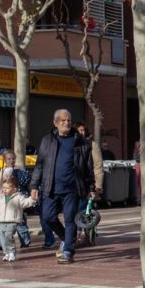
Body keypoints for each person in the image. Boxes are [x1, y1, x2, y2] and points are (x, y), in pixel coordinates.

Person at [30, 109, 96, 264]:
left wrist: (91, 188)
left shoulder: (80, 142)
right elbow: (40, 165)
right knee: (48, 217)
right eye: (63, 120)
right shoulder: (47, 140)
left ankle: (68, 251)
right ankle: (67, 239)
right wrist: (34, 186)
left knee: (69, 219)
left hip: (72, 188)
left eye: (68, 120)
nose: (66, 123)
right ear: (55, 123)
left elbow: (88, 168)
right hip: (51, 187)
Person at [0, 178, 37, 262]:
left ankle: (11, 252)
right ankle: (6, 253)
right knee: (2, 238)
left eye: (7, 188)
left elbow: (26, 202)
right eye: (3, 187)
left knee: (8, 236)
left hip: (12, 221)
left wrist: (32, 199)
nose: (4, 190)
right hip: (1, 222)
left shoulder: (19, 197)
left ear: (14, 189)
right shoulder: (0, 197)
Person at [0, 150, 33, 250]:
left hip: (16, 198)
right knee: (1, 221)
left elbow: (22, 182)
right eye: (9, 159)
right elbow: (1, 185)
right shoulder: (2, 170)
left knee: (19, 221)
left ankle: (25, 240)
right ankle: (0, 243)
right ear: (4, 160)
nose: (11, 161)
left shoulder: (18, 170)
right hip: (4, 199)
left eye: (13, 159)